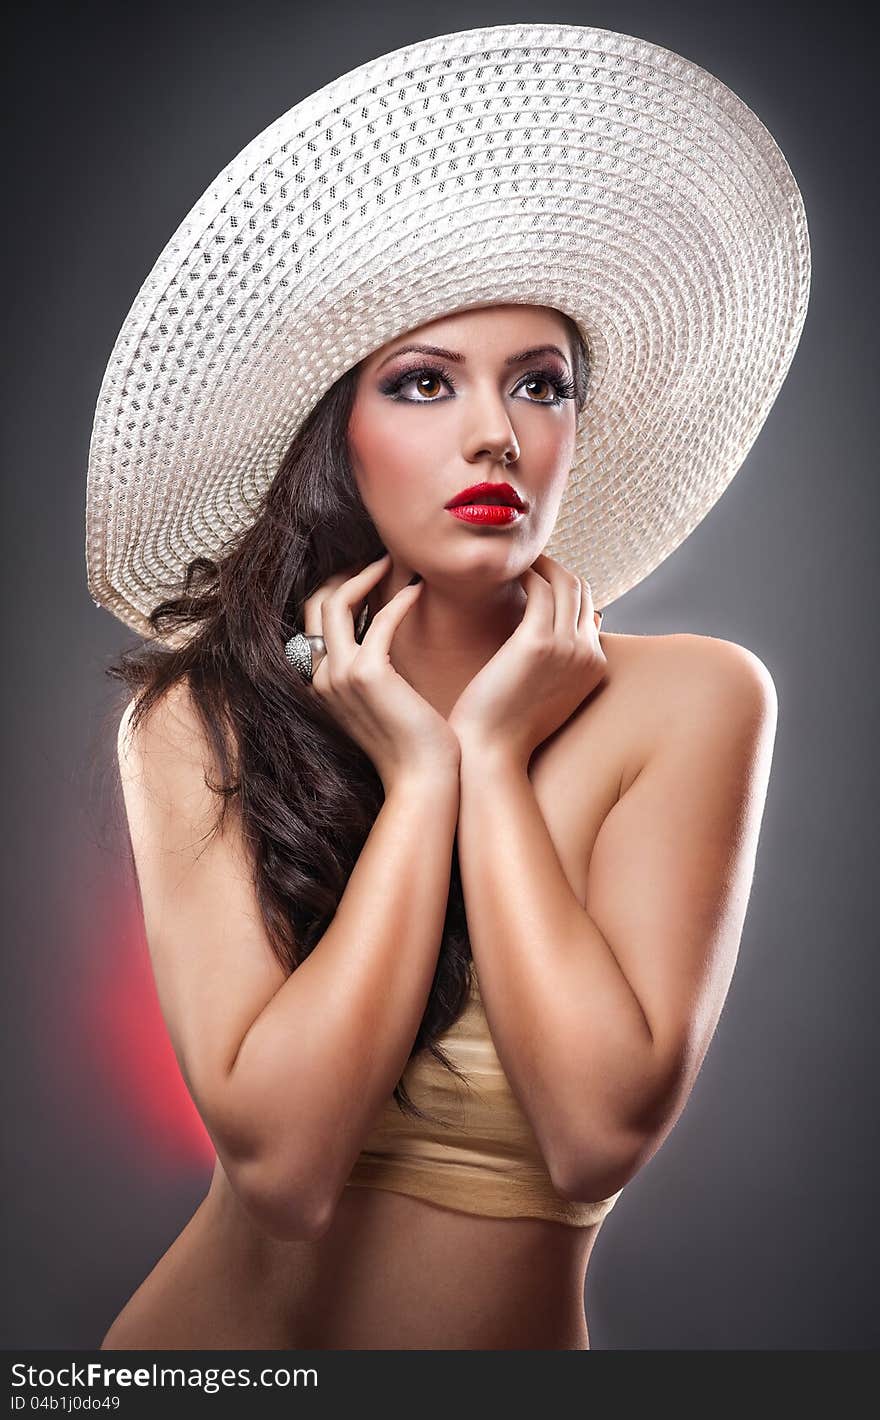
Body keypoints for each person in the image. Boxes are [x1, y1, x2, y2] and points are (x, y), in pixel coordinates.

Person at [85, 23, 810, 1350]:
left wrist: (491, 756)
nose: (497, 432)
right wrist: (419, 776)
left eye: (541, 383)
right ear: (336, 438)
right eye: (425, 383)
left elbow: (595, 1139)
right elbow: (286, 1170)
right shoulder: (196, 722)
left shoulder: (696, 704)